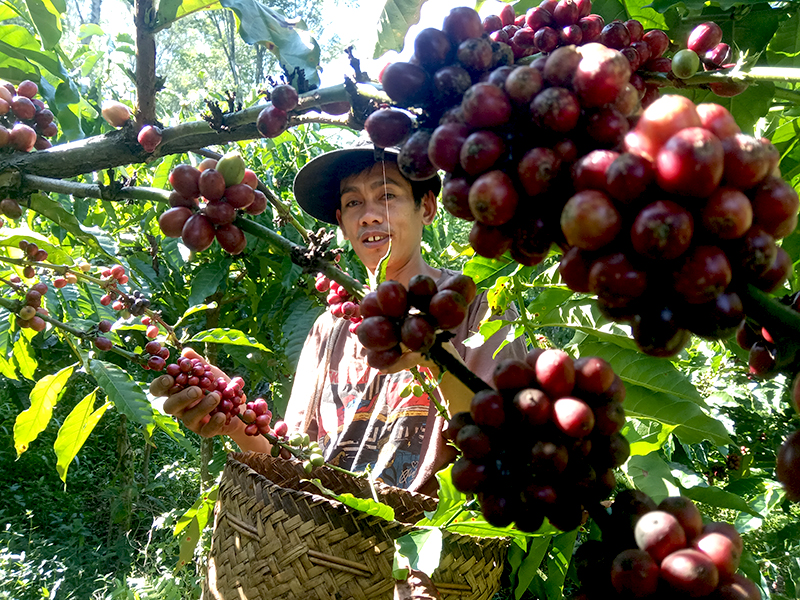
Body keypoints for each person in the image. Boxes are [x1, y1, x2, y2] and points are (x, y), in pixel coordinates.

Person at [151, 144, 526, 495]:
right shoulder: (329, 329)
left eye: (388, 196)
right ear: (342, 224)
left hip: (423, 550)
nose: (370, 215)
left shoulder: (475, 309)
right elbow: (291, 462)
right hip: (329, 547)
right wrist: (235, 418)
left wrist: (436, 357)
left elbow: (503, 445)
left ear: (426, 207)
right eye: (353, 203)